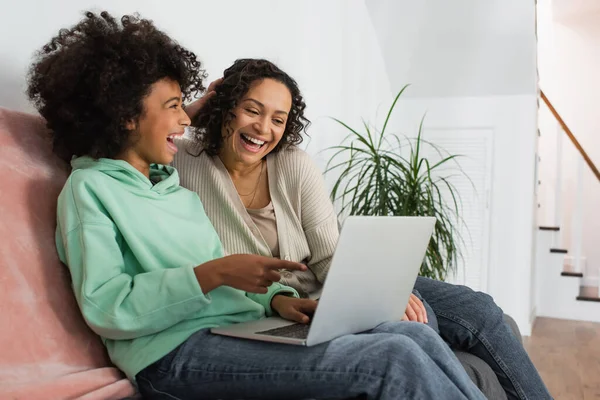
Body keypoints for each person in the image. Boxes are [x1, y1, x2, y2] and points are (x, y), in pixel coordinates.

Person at [28, 12, 487, 400]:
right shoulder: (89, 190)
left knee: (406, 334)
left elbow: (225, 279)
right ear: (126, 115)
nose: (186, 117)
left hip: (236, 328)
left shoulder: (170, 187)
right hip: (171, 355)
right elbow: (106, 307)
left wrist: (280, 299)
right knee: (392, 359)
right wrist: (216, 273)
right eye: (173, 106)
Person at [174, 58, 553, 400]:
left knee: (481, 309)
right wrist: (190, 111)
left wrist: (375, 291)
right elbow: (127, 142)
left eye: (278, 119)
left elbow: (330, 254)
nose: (263, 129)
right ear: (225, 108)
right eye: (251, 110)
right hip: (284, 307)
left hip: (338, 286)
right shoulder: (183, 162)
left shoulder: (294, 164)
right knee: (418, 324)